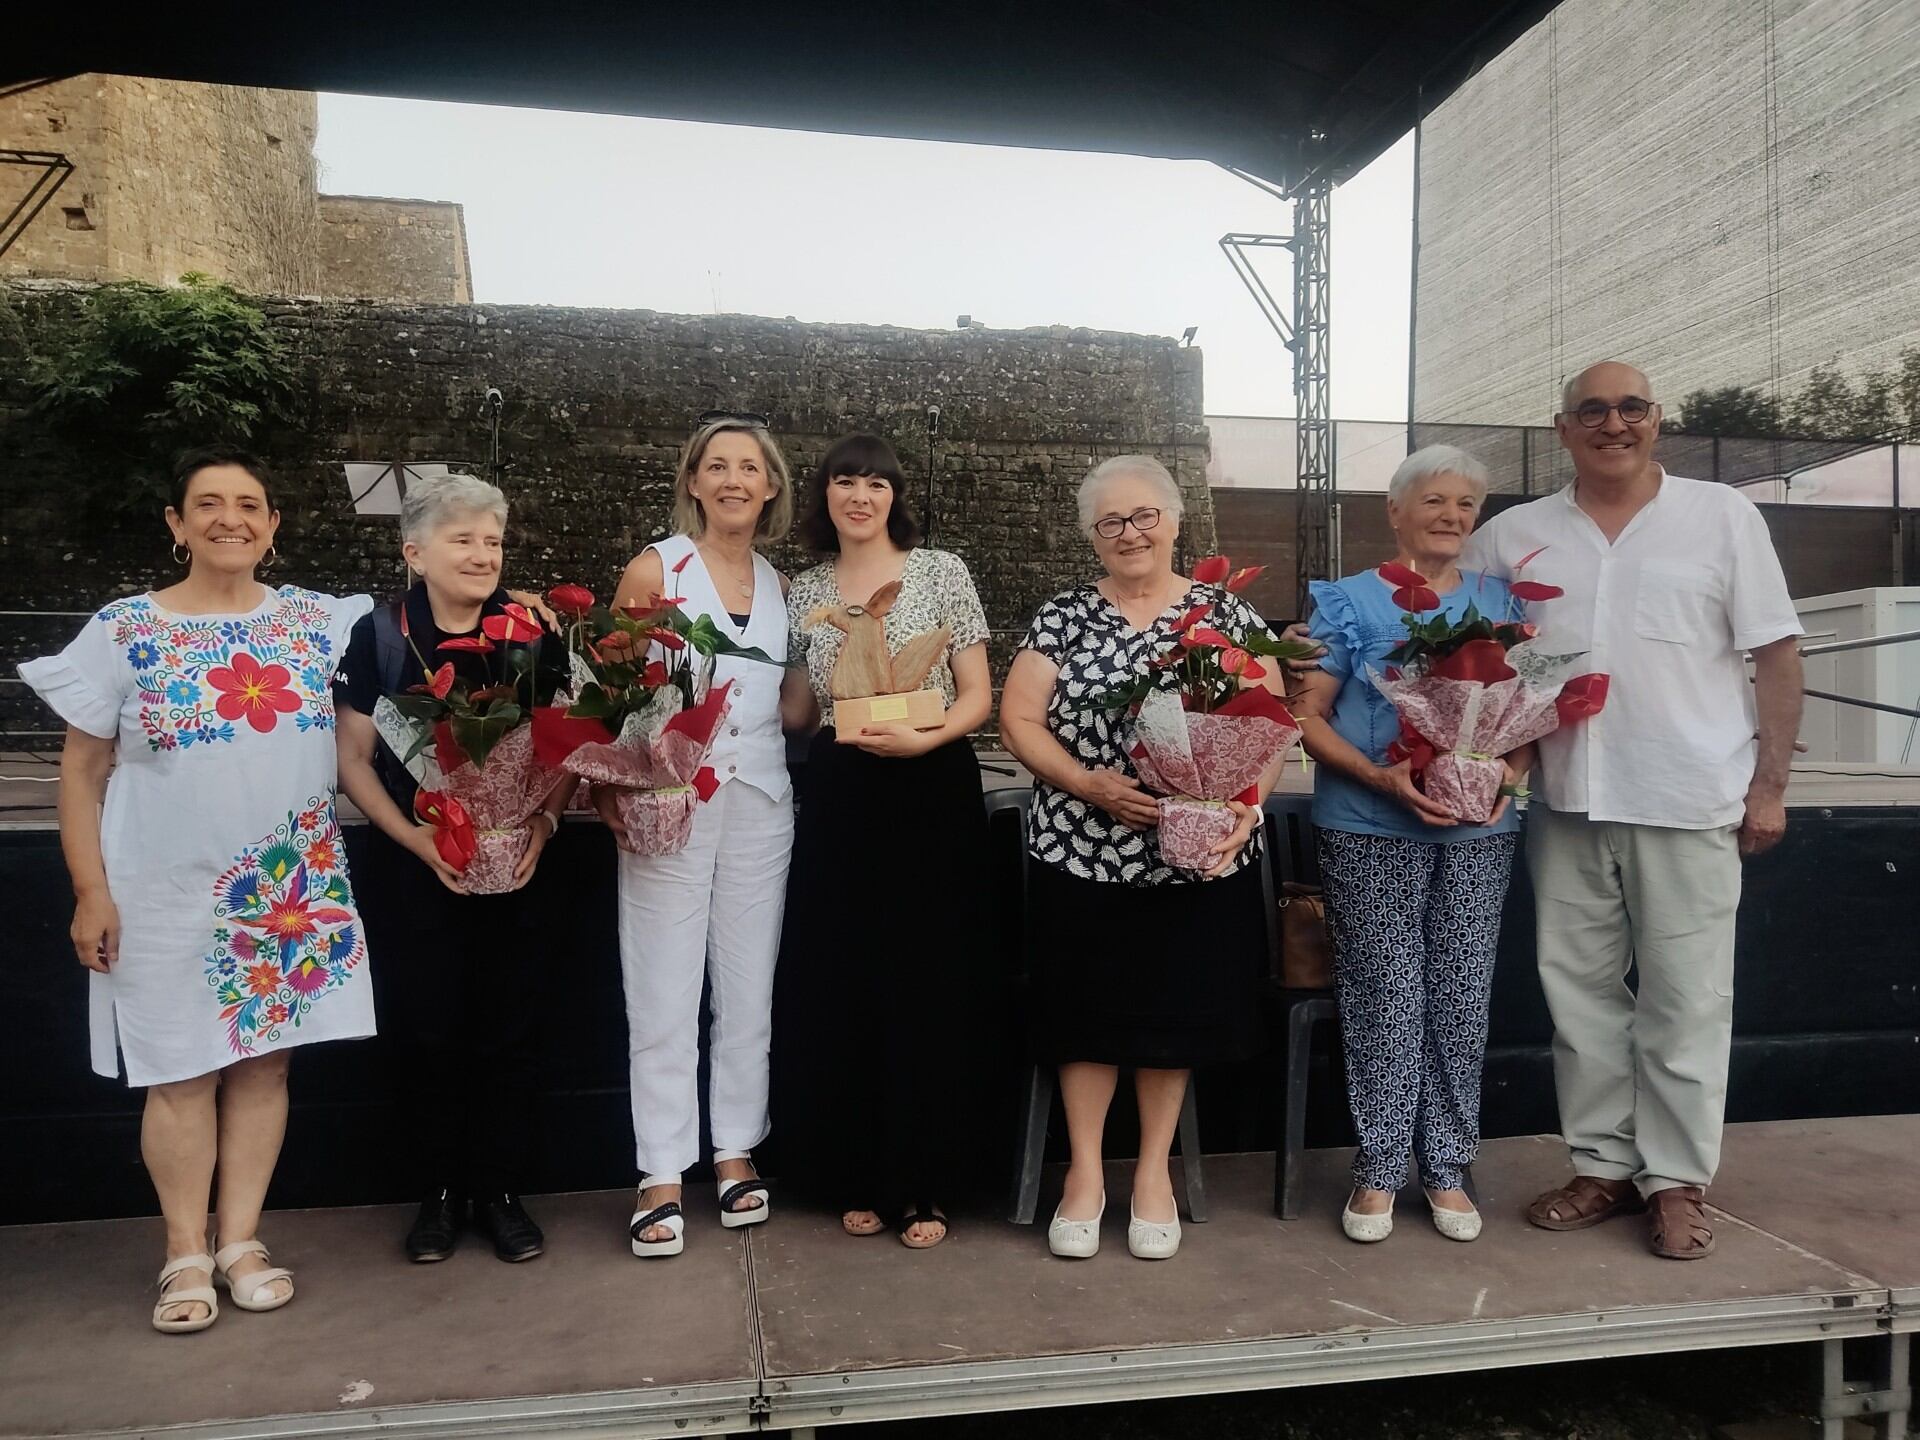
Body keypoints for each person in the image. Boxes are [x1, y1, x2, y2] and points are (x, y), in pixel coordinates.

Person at [19, 447, 374, 1332]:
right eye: (208, 504)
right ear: (176, 524)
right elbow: (79, 775)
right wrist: (89, 891)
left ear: (273, 526)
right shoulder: (123, 630)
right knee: (178, 1070)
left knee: (265, 1063)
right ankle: (184, 1251)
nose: (231, 518)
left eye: (249, 504)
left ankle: (242, 1240)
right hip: (162, 890)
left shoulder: (316, 624)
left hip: (285, 885)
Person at [1464, 361, 1803, 1260]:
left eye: (1630, 408)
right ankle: (1603, 1167)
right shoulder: (1514, 535)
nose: (1612, 423)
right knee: (1579, 1000)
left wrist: (1768, 786)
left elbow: (1775, 656)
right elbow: (1478, 657)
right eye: (1592, 410)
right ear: (1564, 427)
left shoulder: (1722, 518)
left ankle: (1679, 1180)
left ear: (1657, 420)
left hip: (1690, 798)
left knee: (1687, 1002)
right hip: (1565, 801)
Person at [999, 454, 1286, 1262]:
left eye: (1143, 517)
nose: (1130, 534)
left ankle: (1153, 1173)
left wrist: (1245, 805)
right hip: (1082, 850)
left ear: (1173, 522)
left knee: (1174, 1014)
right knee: (1085, 1018)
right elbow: (1019, 721)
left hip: (1193, 859)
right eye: (1111, 523)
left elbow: (1269, 726)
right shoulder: (1062, 617)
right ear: (1093, 537)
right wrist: (1088, 783)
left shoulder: (1224, 614)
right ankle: (1085, 1175)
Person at [335, 473, 575, 1265]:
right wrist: (414, 839)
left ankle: (502, 1192)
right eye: (463, 539)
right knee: (428, 1030)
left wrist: (541, 817)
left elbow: (565, 748)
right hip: (417, 868)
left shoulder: (533, 635)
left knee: (513, 1030)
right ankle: (438, 1195)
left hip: (518, 867)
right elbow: (355, 760)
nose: (482, 555)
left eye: (494, 542)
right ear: (416, 551)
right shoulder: (378, 635)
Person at [1291, 445, 1527, 1245]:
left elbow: (1529, 714)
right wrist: (1381, 779)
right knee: (1386, 992)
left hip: (1478, 829)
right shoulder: (1350, 601)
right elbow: (1308, 715)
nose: (1451, 516)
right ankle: (1382, 1165)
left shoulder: (1503, 601)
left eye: (1466, 503)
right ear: (1395, 511)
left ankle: (1449, 1165)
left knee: (1461, 993)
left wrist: (1503, 776)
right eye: (1433, 500)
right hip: (1368, 825)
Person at [773, 433, 994, 1249]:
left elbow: (977, 694)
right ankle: (856, 1170)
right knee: (848, 974)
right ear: (824, 496)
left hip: (930, 782)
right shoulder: (805, 589)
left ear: (895, 495)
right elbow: (799, 709)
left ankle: (927, 1181)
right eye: (843, 482)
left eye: (874, 483)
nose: (859, 496)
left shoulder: (942, 570)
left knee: (931, 975)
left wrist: (927, 742)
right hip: (844, 789)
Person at [600, 412, 797, 1257]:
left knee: (749, 990)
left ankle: (734, 1151)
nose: (732, 481)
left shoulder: (783, 585)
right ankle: (660, 1169)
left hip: (763, 800)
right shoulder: (658, 566)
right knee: (664, 989)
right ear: (692, 481)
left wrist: (857, 684)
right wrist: (608, 789)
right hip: (670, 799)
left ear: (770, 486)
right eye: (716, 466)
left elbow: (792, 703)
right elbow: (605, 683)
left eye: (748, 468)